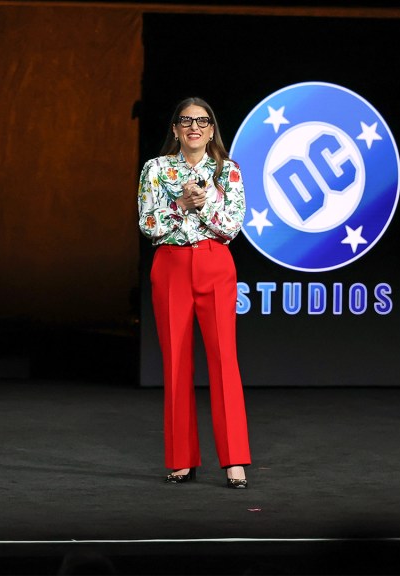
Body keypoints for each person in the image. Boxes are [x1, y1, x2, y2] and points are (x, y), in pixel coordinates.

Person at [137, 97, 251, 489]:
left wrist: (203, 207)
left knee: (224, 361)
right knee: (176, 363)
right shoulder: (155, 169)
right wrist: (180, 205)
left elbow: (232, 226)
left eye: (202, 121)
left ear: (212, 129)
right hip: (171, 265)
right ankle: (182, 460)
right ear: (175, 129)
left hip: (214, 263)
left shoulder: (227, 170)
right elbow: (148, 224)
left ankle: (234, 460)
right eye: (186, 121)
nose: (194, 128)